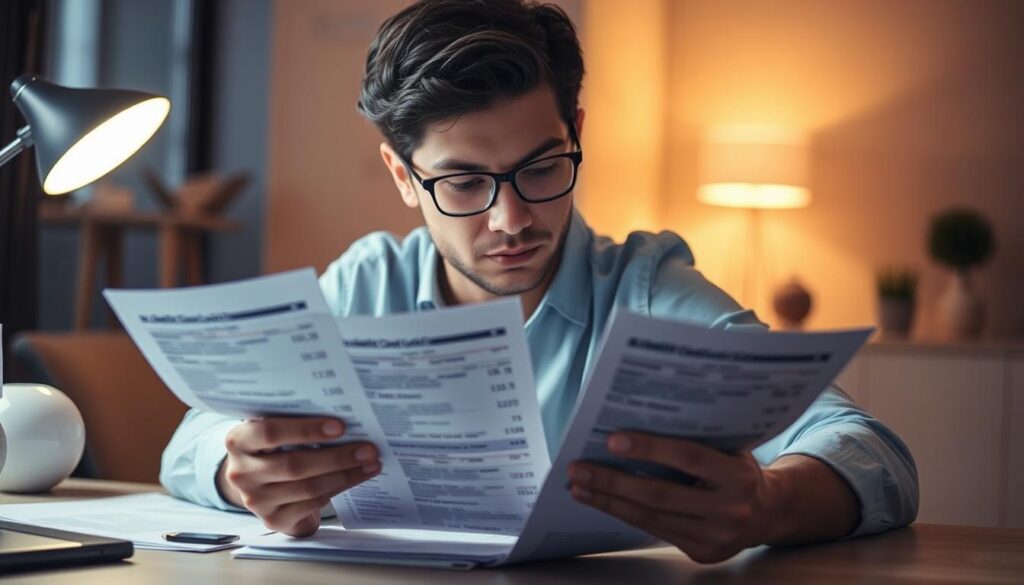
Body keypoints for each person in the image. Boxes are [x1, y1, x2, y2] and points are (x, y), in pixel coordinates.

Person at [161, 0, 918, 564]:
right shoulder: (366, 285)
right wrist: (238, 471)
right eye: (462, 182)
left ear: (577, 134)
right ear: (402, 173)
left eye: (543, 166)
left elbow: (873, 451)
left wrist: (770, 506)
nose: (511, 219)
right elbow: (190, 439)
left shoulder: (648, 289)